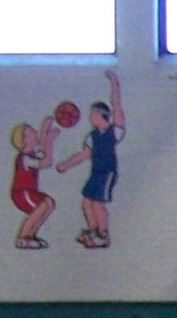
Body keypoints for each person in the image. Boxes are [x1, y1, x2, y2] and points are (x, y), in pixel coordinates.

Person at [56, 70, 124, 249]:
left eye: (93, 114)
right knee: (86, 202)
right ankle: (93, 230)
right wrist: (66, 165)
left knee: (98, 204)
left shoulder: (114, 131)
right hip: (95, 173)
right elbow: (84, 155)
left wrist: (114, 82)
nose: (90, 117)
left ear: (101, 115)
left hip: (107, 173)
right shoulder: (92, 136)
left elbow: (117, 105)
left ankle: (103, 234)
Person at [10, 114, 60, 249]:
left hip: (30, 191)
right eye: (31, 132)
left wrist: (45, 131)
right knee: (41, 206)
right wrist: (48, 140)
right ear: (24, 140)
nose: (35, 133)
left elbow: (42, 152)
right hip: (22, 193)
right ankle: (23, 237)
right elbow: (46, 162)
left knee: (49, 203)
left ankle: (31, 235)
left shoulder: (32, 153)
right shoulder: (25, 158)